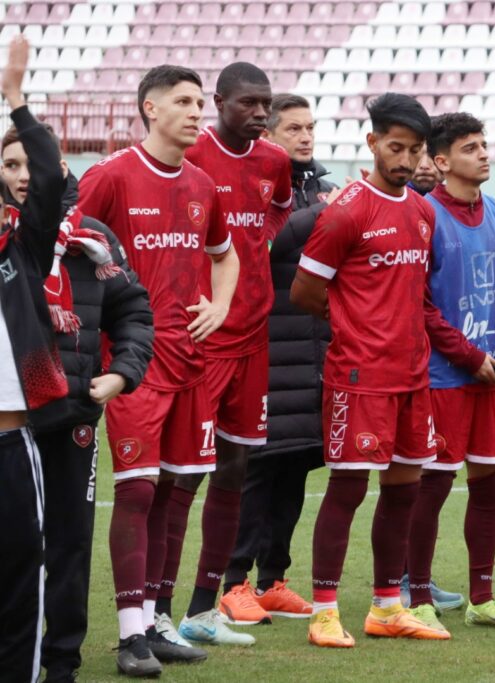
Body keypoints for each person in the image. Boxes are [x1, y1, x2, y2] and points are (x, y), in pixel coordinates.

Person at [77, 64, 240, 675]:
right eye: (185, 101)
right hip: (131, 360)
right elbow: (67, 248)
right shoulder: (111, 177)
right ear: (150, 108)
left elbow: (227, 258)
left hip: (191, 360)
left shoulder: (202, 184)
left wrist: (219, 307)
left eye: (201, 102)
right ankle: (127, 637)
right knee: (140, 490)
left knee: (175, 492)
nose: (198, 111)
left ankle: (155, 623)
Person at [291, 93, 448, 648]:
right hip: (359, 377)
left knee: (405, 488)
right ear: (373, 143)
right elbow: (305, 289)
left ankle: (386, 606)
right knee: (349, 487)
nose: (406, 160)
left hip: (412, 376)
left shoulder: (423, 210)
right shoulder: (347, 210)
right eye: (396, 147)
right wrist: (356, 327)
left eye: (415, 150)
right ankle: (325, 610)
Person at [2, 121, 154, 683]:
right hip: (10, 419)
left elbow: (135, 314)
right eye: (10, 165)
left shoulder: (95, 239)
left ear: (60, 169)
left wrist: (121, 375)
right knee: (12, 546)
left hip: (71, 418)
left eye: (32, 164)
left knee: (68, 543)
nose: (23, 176)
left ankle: (61, 660)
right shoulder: (7, 239)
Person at [155, 62, 292, 642]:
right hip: (201, 340)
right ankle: (157, 609)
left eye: (266, 104)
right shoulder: (194, 156)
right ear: (219, 102)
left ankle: (204, 608)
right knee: (182, 475)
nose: (260, 114)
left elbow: (277, 214)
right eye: (248, 104)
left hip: (253, 340)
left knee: (236, 468)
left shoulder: (275, 162)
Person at [405, 112, 495, 635]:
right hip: (443, 378)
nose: (484, 154)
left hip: (491, 377)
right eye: (470, 148)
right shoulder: (424, 215)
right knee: (431, 486)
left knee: (488, 483)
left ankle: (483, 597)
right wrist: (468, 356)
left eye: (484, 145)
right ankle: (417, 597)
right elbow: (421, 304)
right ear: (440, 161)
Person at [224, 93, 338, 619]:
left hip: (313, 350)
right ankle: (232, 583)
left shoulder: (322, 185)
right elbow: (260, 250)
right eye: (293, 128)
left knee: (295, 467)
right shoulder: (251, 189)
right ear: (268, 136)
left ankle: (273, 578)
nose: (306, 136)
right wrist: (321, 214)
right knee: (255, 470)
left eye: (310, 127)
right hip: (263, 347)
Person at [0, 35, 70, 683]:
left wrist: (17, 102)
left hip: (10, 445)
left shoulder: (17, 251)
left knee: (21, 590)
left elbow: (48, 177)